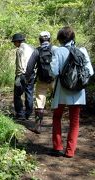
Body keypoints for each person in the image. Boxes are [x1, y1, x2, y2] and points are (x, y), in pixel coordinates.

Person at [49, 26, 94, 158]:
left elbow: (54, 72)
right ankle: (70, 151)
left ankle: (57, 147)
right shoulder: (82, 51)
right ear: (73, 38)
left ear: (60, 39)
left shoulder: (58, 51)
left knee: (57, 117)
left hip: (61, 91)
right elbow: (90, 72)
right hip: (78, 93)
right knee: (74, 121)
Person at [25, 31, 57, 133]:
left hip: (41, 80)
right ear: (49, 39)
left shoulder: (37, 51)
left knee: (39, 102)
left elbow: (30, 66)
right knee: (57, 101)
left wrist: (27, 78)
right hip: (54, 80)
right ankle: (57, 124)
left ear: (40, 40)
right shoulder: (54, 49)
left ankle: (38, 126)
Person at [11, 33, 35, 120]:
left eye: (14, 42)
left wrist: (18, 76)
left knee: (17, 95)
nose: (14, 44)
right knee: (29, 93)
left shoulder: (19, 50)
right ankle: (28, 113)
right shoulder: (31, 48)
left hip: (21, 75)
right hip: (31, 74)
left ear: (18, 41)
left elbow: (20, 65)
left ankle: (20, 114)